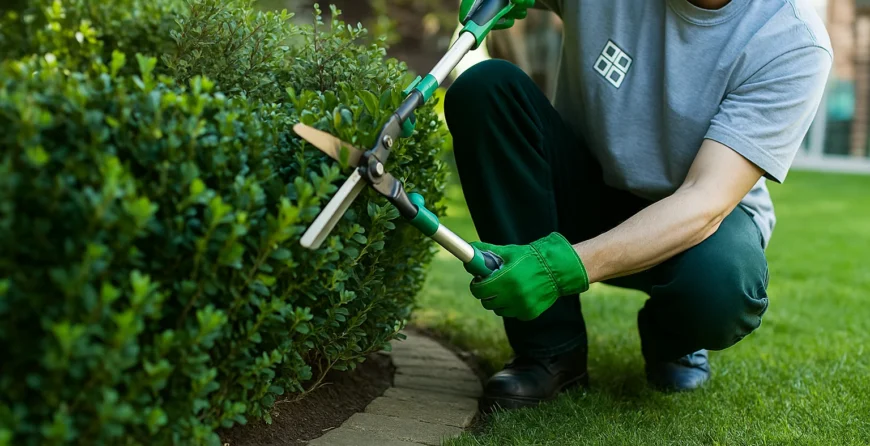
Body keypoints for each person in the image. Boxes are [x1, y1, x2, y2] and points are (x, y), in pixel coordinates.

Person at [446, 0, 832, 413]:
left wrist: (559, 267)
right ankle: (550, 351)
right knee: (484, 88)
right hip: (584, 187)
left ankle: (672, 339)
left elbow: (705, 199)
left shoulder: (792, 41)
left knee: (722, 284)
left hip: (695, 224)